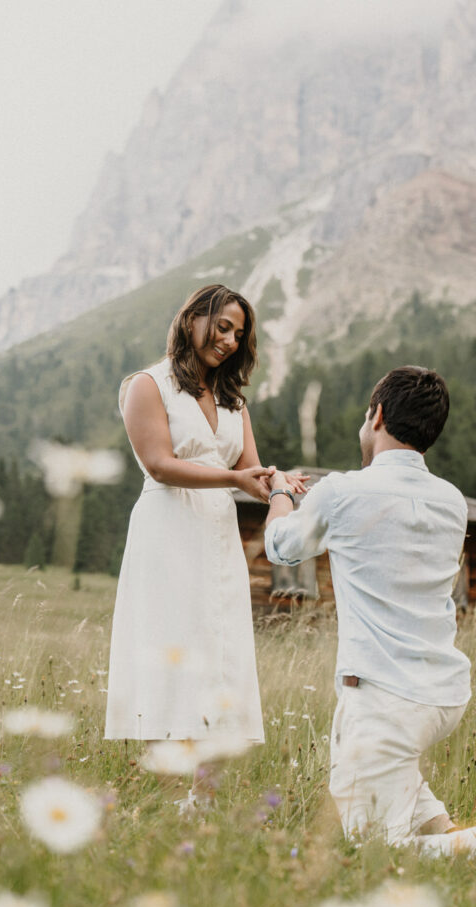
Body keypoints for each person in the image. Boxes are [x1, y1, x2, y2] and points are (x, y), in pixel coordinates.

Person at [264, 366, 476, 863]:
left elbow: (281, 547)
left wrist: (278, 493)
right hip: (440, 694)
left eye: (365, 415)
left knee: (378, 853)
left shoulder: (342, 491)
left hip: (383, 695)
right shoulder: (452, 501)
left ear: (376, 416)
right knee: (396, 777)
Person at [105, 283, 305, 804]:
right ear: (193, 317)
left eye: (239, 334)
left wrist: (279, 482)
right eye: (223, 327)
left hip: (217, 537)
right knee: (169, 648)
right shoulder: (148, 385)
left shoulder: (232, 400)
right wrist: (237, 481)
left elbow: (249, 471)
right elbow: (160, 464)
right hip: (167, 529)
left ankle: (205, 799)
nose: (231, 340)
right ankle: (165, 795)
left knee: (220, 653)